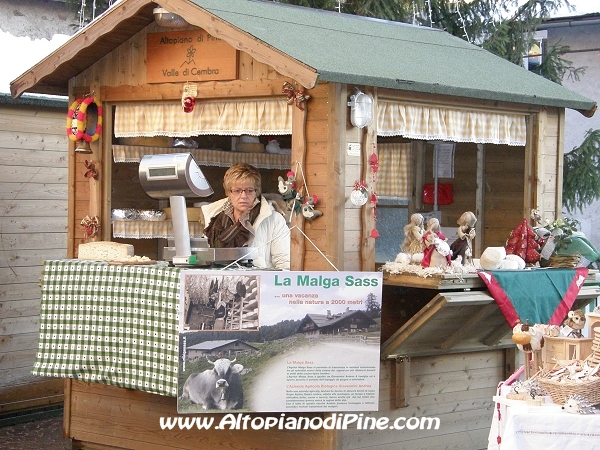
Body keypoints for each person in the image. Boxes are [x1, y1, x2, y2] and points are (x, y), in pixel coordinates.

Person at [201, 163, 290, 270]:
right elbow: (205, 259)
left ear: (256, 192)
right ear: (228, 192)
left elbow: (285, 265)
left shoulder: (275, 220)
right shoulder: (214, 218)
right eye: (237, 191)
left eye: (249, 190)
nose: (243, 196)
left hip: (260, 283)